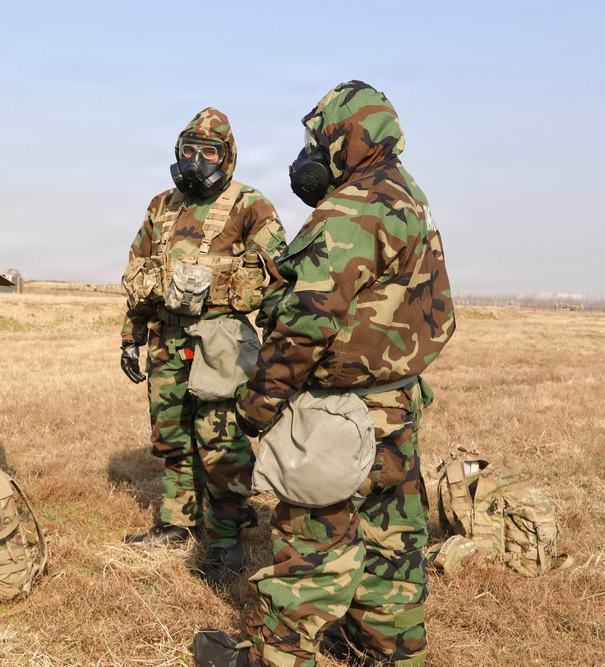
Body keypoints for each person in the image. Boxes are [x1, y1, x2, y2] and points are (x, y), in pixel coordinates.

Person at [193, 81, 456, 667]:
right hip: (397, 403)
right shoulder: (408, 196)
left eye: (318, 140)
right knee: (392, 535)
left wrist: (258, 405)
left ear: (346, 137)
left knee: (314, 537)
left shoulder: (350, 209)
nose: (310, 154)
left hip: (343, 412)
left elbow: (305, 325)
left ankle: (279, 657)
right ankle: (388, 647)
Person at [120, 107, 287, 585]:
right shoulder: (160, 206)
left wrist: (281, 348)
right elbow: (139, 275)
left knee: (221, 440)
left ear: (228, 157)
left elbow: (279, 279)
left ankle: (225, 537)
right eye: (187, 151)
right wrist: (131, 338)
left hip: (222, 341)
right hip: (166, 339)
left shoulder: (251, 206)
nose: (196, 161)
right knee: (172, 437)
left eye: (207, 152)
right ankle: (175, 524)